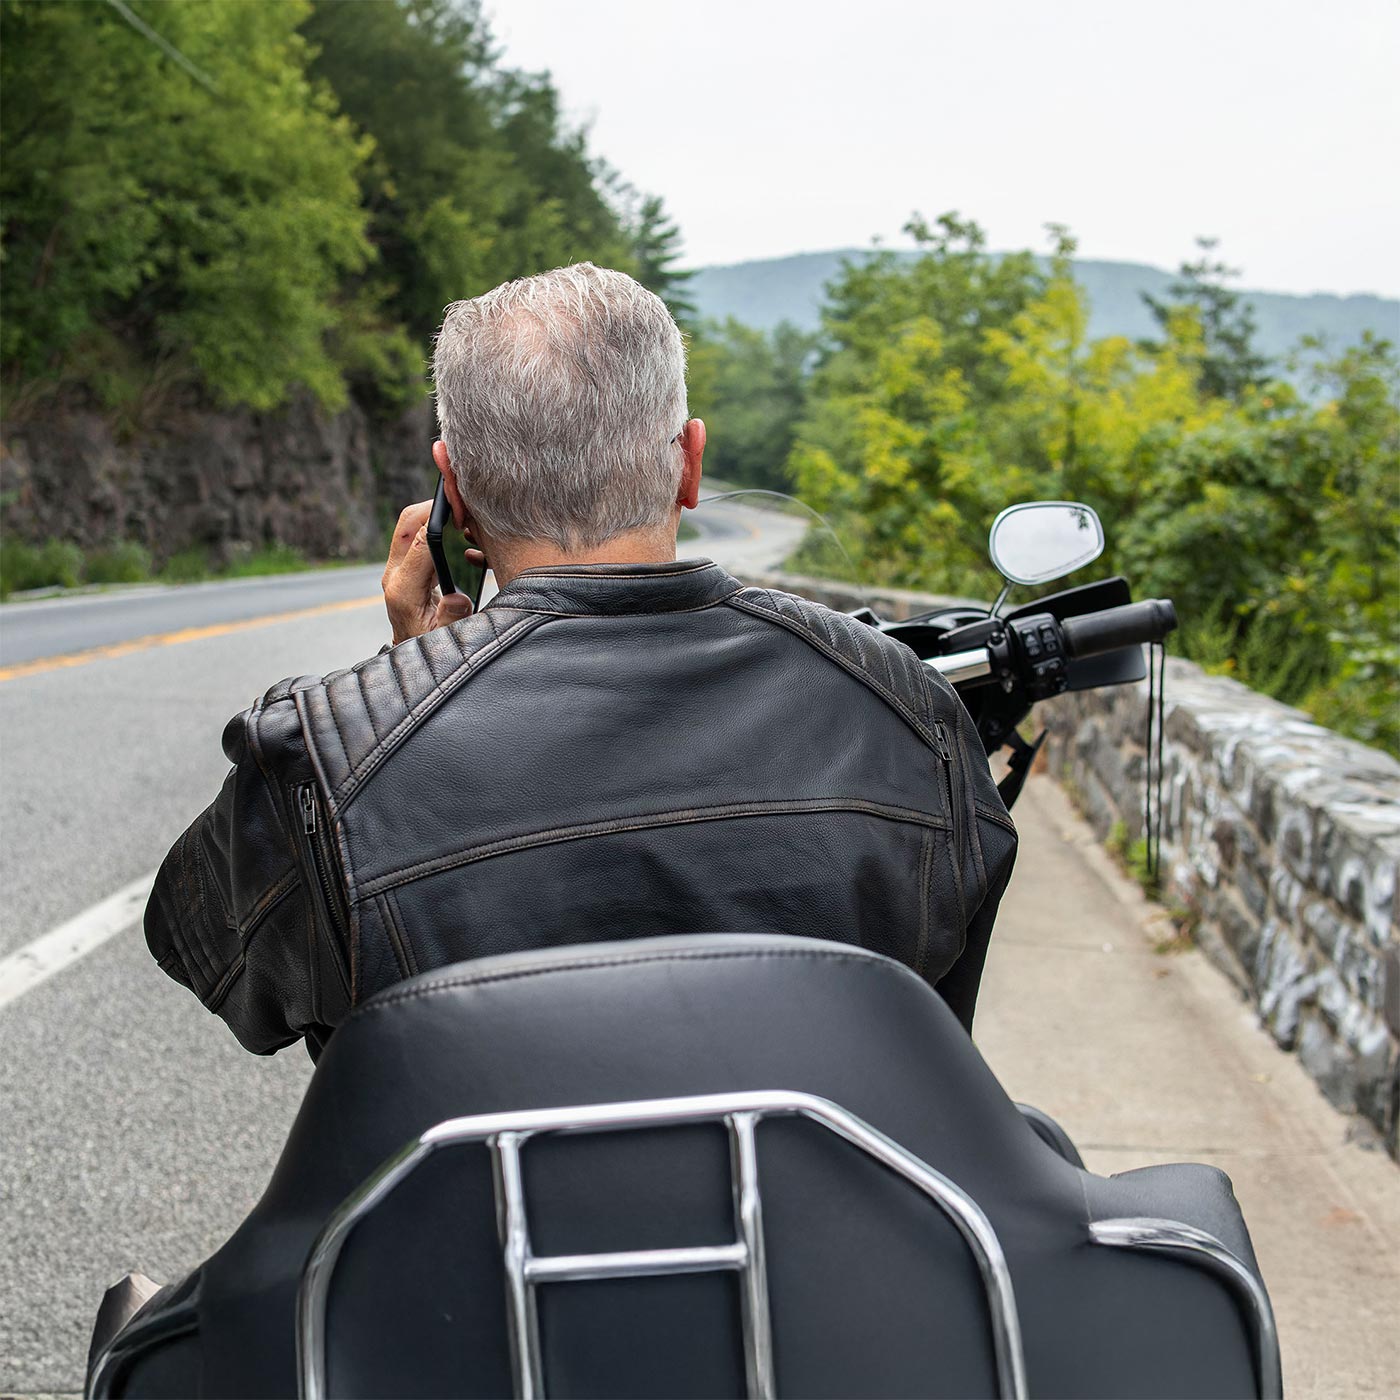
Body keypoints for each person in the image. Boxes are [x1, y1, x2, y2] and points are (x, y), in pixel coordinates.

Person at [144, 262, 1017, 1057]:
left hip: (470, 1229)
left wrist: (420, 672)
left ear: (454, 492)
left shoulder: (327, 752)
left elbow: (206, 955)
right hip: (828, 1222)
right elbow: (941, 1021)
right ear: (690, 464)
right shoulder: (908, 709)